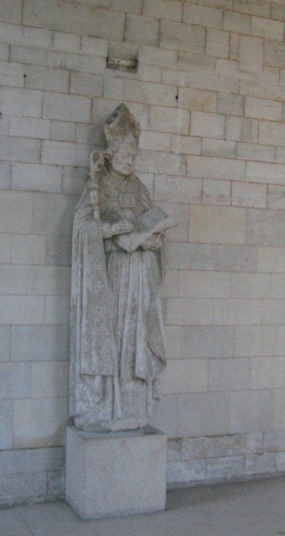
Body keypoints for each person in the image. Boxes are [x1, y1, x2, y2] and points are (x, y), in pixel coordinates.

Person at [70, 104, 175, 432]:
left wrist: (155, 241)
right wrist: (112, 231)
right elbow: (83, 229)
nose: (131, 160)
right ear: (112, 154)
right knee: (113, 333)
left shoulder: (139, 188)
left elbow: (152, 221)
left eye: (134, 155)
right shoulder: (97, 188)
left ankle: (135, 403)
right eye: (126, 155)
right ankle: (105, 404)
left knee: (137, 335)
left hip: (140, 273)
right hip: (114, 274)